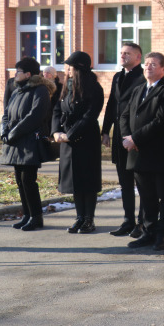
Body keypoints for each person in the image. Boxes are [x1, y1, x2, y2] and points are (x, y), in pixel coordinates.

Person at [120, 52, 164, 251]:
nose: (148, 67)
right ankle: (148, 231)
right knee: (146, 197)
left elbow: (162, 122)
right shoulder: (138, 90)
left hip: (159, 153)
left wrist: (135, 138)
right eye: (146, 64)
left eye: (153, 64)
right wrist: (127, 138)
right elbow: (125, 115)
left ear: (163, 69)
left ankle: (163, 235)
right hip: (138, 154)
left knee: (163, 197)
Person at [52, 51, 105, 234]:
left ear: (79, 69)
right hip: (68, 140)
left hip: (86, 140)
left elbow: (90, 116)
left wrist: (71, 134)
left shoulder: (94, 88)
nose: (67, 70)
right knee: (75, 181)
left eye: (71, 66)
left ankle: (89, 219)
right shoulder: (66, 86)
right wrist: (56, 131)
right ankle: (79, 217)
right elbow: (57, 109)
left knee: (87, 181)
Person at [1, 57, 56, 231]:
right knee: (19, 179)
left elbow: (34, 117)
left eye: (18, 72)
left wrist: (14, 132)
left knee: (28, 180)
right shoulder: (17, 90)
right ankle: (26, 214)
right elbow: (7, 113)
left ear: (28, 74)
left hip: (29, 142)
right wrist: (4, 131)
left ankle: (36, 217)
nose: (15, 75)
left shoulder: (40, 91)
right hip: (16, 141)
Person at [101, 42, 146, 237]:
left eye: (127, 53)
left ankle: (144, 222)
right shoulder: (118, 76)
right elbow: (112, 103)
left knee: (142, 182)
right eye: (121, 53)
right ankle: (128, 220)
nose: (122, 56)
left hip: (135, 136)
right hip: (119, 135)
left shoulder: (144, 77)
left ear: (138, 57)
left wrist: (136, 136)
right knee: (125, 182)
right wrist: (105, 130)